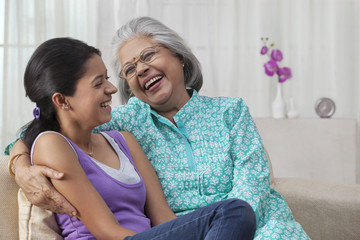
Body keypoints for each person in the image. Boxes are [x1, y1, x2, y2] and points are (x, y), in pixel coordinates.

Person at [7, 17, 309, 239]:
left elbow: (251, 188)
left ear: (178, 55)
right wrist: (20, 166)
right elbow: (44, 128)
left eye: (148, 55)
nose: (140, 69)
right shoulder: (125, 120)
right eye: (129, 69)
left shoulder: (230, 111)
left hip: (258, 229)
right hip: (186, 233)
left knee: (237, 210)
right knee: (232, 211)